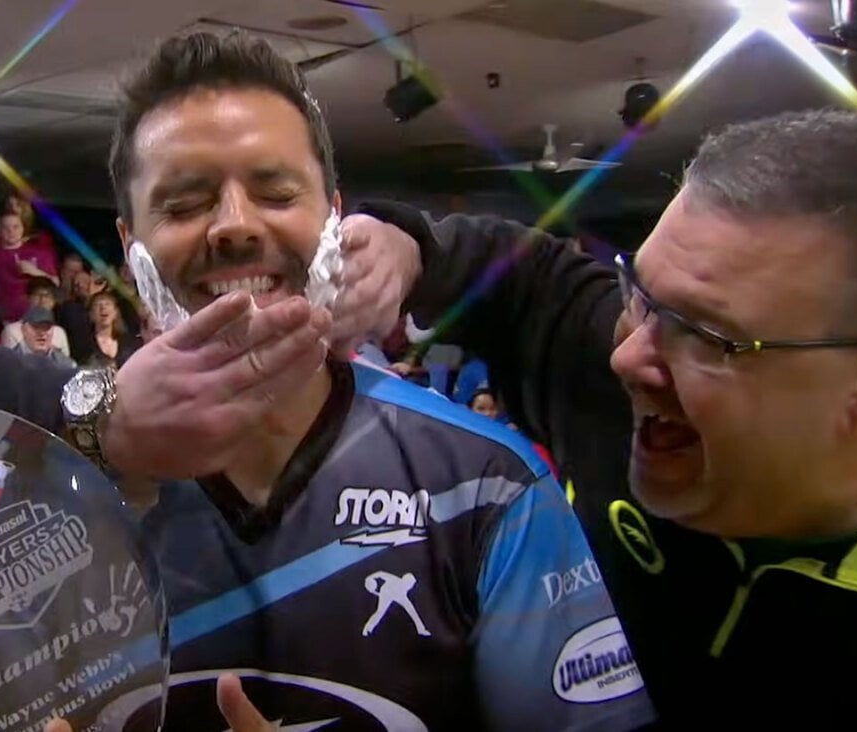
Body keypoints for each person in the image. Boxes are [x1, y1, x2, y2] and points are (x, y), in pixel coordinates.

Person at [82, 31, 649, 730]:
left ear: (334, 217)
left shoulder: (485, 487)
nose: (233, 227)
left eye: (275, 190)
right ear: (128, 246)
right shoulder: (53, 502)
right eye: (186, 202)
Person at [336, 108, 857, 725]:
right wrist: (410, 250)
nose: (625, 357)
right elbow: (527, 279)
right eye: (639, 296)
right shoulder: (622, 384)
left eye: (705, 336)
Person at [0, 210, 60, 322]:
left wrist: (34, 271)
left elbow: (55, 284)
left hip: (37, 313)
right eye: (5, 227)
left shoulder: (41, 253)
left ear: (23, 228)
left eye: (15, 227)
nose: (11, 231)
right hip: (5, 316)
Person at [72, 291, 140, 368]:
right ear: (91, 315)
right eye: (98, 305)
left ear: (115, 313)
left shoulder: (128, 343)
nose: (103, 308)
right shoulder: (84, 345)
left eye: (107, 304)